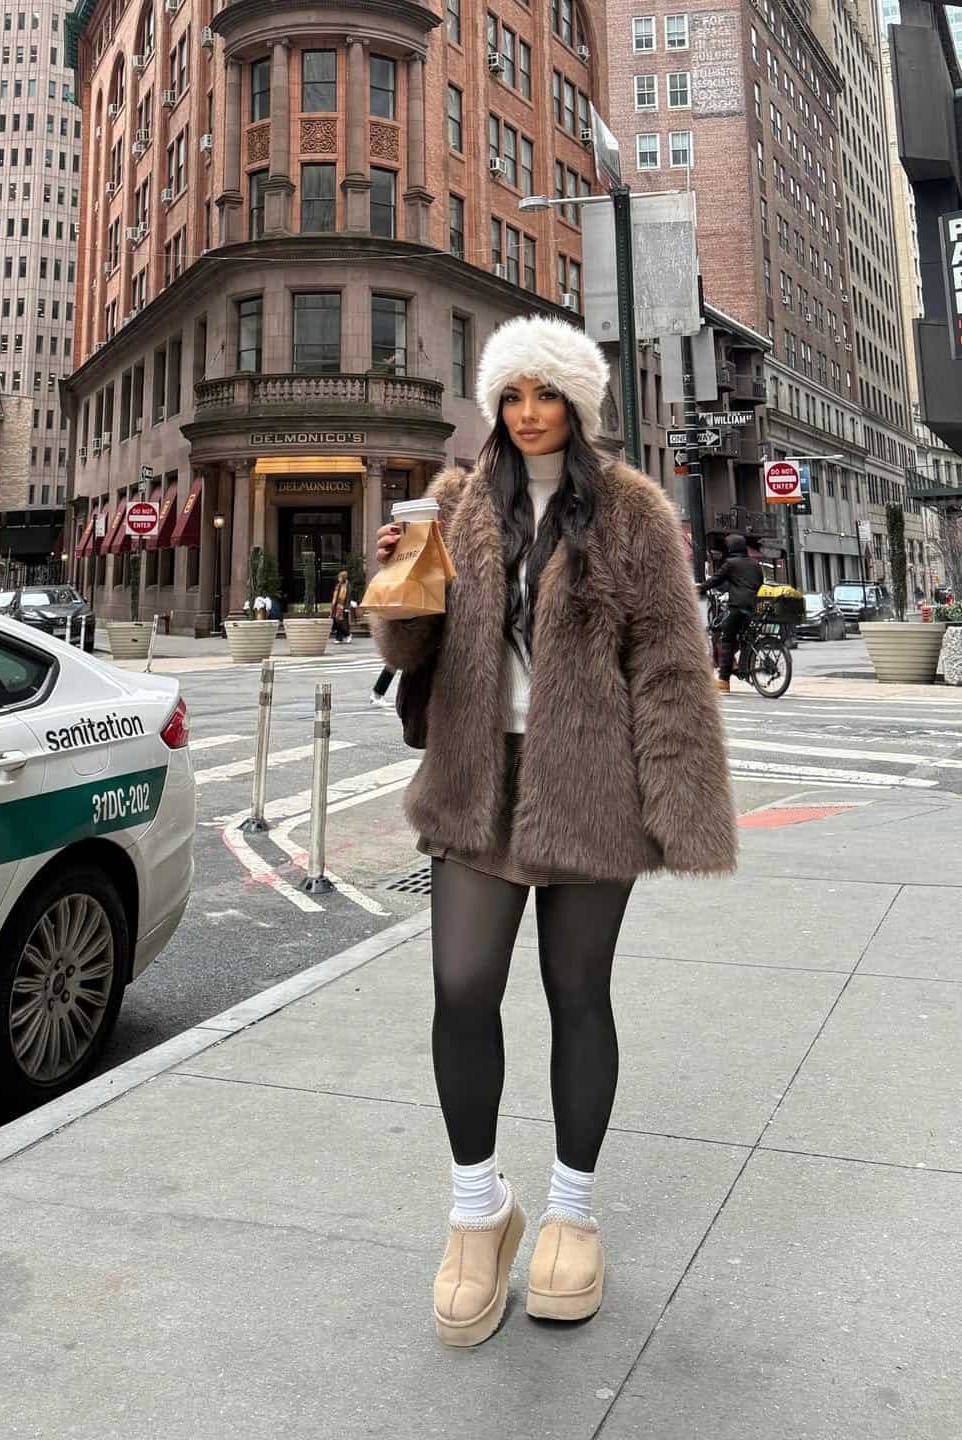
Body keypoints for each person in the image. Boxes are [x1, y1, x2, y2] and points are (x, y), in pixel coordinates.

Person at [372, 315, 735, 1349]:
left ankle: (572, 1212)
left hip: (591, 782)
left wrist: (679, 808)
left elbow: (668, 663)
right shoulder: (454, 503)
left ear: (578, 404)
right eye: (513, 397)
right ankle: (479, 1210)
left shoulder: (630, 511)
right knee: (461, 989)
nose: (529, 416)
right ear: (494, 406)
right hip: (476, 782)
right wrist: (397, 576)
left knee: (578, 995)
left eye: (548, 396)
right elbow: (411, 643)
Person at [699, 533, 765, 693]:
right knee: (743, 637)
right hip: (754, 606)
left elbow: (716, 580)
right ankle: (739, 666)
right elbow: (758, 582)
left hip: (737, 606)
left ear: (731, 548)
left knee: (725, 637)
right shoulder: (755, 564)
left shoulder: (731, 563)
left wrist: (698, 588)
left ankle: (724, 680)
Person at [330, 569, 352, 644]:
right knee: (337, 622)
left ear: (343, 578)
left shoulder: (347, 586)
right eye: (338, 577)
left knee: (342, 622)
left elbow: (348, 597)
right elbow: (335, 597)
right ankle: (339, 638)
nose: (338, 579)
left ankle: (348, 634)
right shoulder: (338, 585)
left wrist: (347, 607)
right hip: (337, 607)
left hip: (343, 607)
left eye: (340, 577)